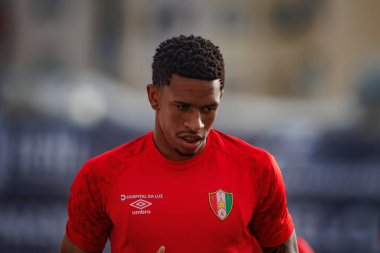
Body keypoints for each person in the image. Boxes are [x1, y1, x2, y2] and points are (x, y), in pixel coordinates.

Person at [60, 35, 299, 253]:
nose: (196, 124)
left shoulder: (258, 168)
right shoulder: (101, 176)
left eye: (208, 109)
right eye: (182, 107)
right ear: (154, 97)